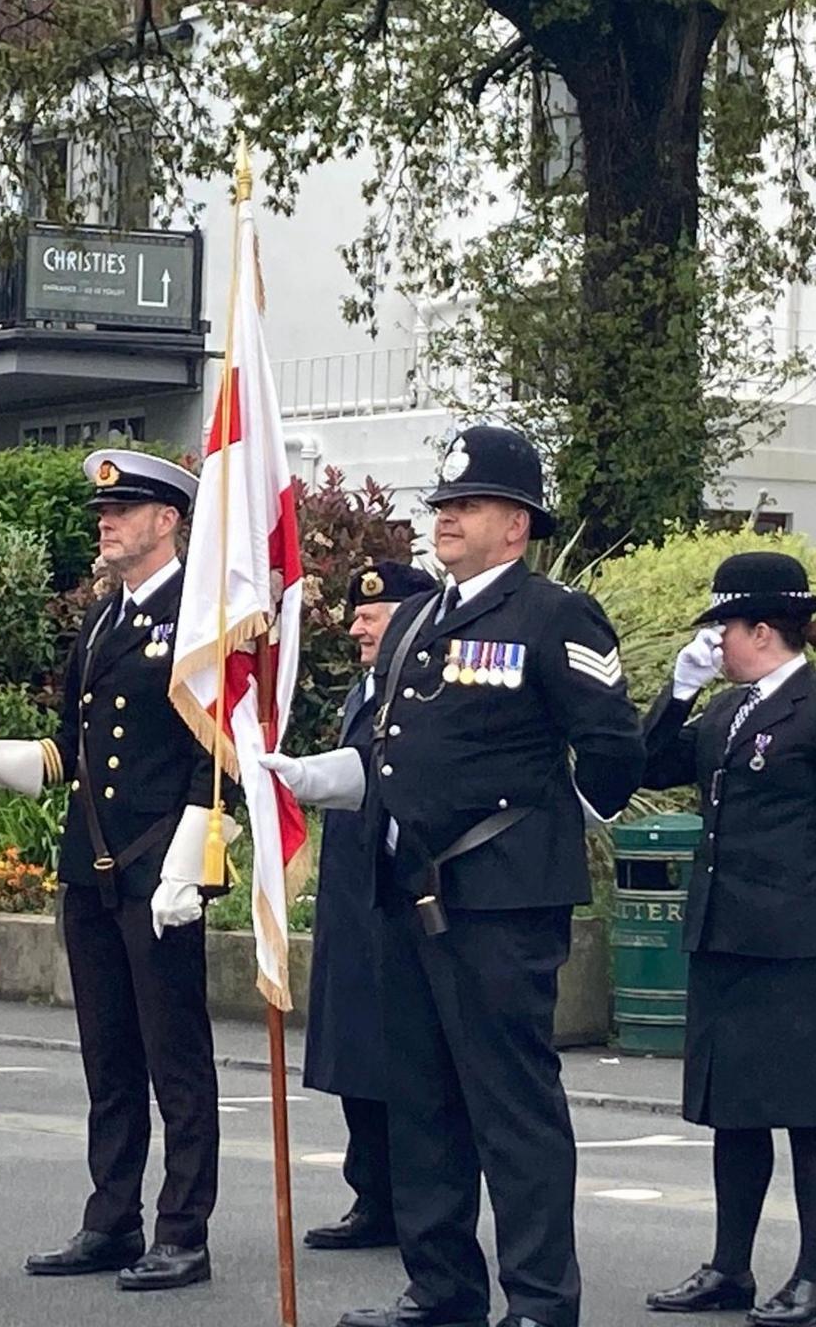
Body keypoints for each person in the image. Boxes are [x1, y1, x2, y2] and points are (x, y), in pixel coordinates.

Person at [270, 424, 645, 1327]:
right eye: (441, 505)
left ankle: (541, 1302)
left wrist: (545, 834)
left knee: (512, 1112)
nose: (446, 519)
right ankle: (441, 1289)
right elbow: (392, 757)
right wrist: (304, 775)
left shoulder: (553, 616)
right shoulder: (420, 623)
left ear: (515, 524)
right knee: (423, 1104)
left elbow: (612, 753)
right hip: (410, 895)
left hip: (502, 901)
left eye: (466, 505)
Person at [0, 449, 223, 1293]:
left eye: (125, 509)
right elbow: (72, 753)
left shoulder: (206, 617)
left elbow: (218, 756)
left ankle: (183, 1230)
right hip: (92, 866)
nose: (106, 522)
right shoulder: (103, 621)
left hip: (160, 868)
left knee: (175, 1058)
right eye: (105, 511)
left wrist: (193, 853)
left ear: (168, 521)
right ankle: (111, 1218)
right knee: (108, 1058)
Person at [638, 552, 816, 1327]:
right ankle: (730, 1267)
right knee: (736, 1111)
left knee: (813, 1114)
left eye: (722, 627)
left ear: (761, 629)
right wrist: (680, 687)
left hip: (801, 943)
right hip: (727, 935)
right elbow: (644, 763)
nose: (715, 641)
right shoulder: (725, 711)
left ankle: (814, 1279)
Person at [299, 560, 436, 1256]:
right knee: (356, 1048)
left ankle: (417, 1203)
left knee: (406, 1060)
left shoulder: (426, 688)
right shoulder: (366, 689)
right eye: (355, 613)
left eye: (370, 615)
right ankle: (372, 1195)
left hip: (406, 895)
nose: (355, 626)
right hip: (353, 892)